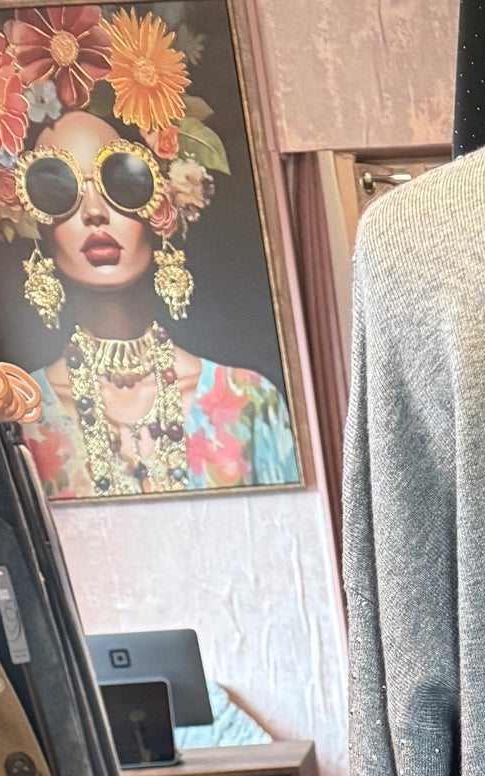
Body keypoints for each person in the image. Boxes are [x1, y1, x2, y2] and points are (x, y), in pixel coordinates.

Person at [20, 110, 298, 497]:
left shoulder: (248, 403)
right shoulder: (22, 418)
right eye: (57, 189)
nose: (94, 212)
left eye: (122, 181)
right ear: (39, 226)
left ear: (161, 207)